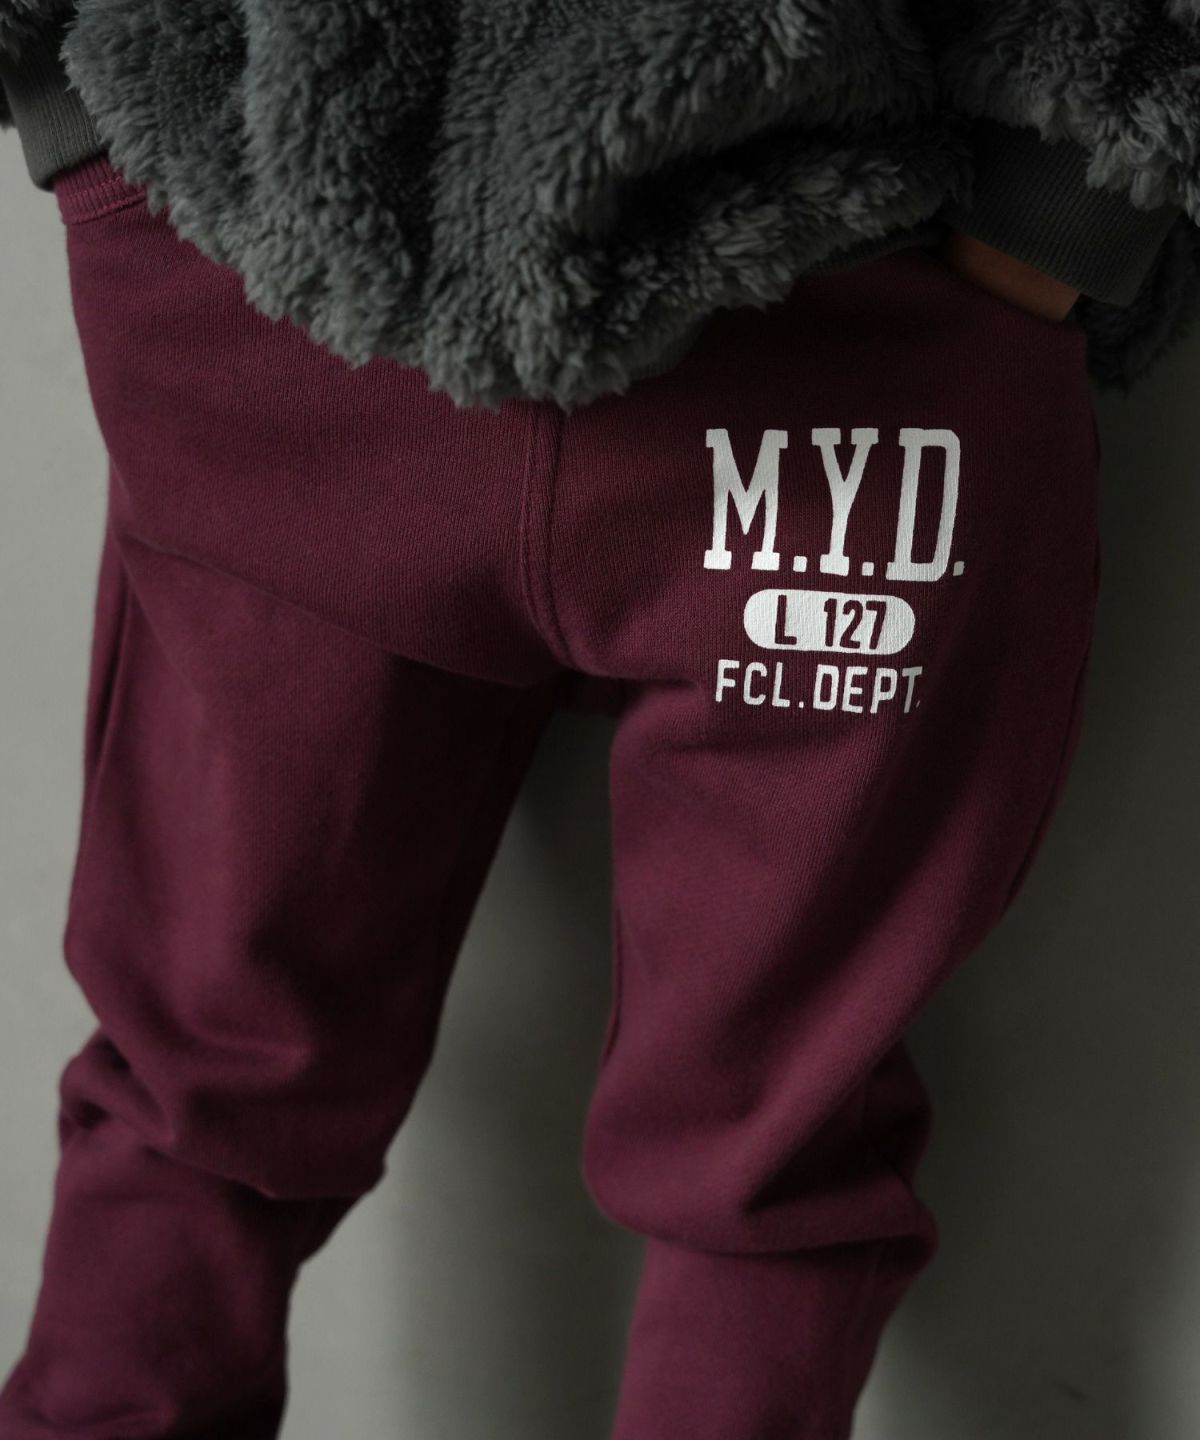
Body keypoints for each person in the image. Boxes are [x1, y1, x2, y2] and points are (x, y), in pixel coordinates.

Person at [0, 4, 1196, 1438]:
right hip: (300, 296)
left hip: (835, 317)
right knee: (226, 1085)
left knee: (727, 1155)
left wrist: (1066, 204)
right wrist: (79, 118)